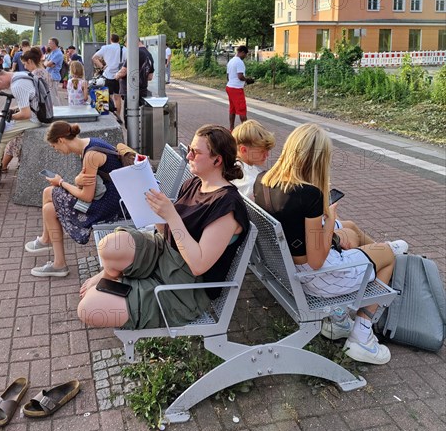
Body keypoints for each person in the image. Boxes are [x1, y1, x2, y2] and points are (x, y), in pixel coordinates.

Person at [78, 125, 250, 330]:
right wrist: (149, 201)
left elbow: (198, 264)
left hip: (184, 288)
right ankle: (114, 279)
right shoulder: (195, 183)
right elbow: (167, 232)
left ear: (217, 160)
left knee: (88, 308)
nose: (189, 156)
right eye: (189, 150)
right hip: (163, 254)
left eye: (195, 152)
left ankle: (121, 283)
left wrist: (171, 215)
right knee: (110, 246)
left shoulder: (227, 206)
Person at [252, 123, 397, 364]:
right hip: (316, 280)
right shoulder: (309, 195)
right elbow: (318, 261)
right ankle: (361, 336)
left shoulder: (262, 180)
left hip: (286, 269)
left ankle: (342, 316)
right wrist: (328, 217)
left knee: (350, 227)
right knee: (389, 254)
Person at [24, 121, 125, 277]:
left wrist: (62, 182)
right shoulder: (89, 144)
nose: (56, 150)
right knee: (48, 207)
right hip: (113, 196)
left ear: (61, 140)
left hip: (111, 204)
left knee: (49, 193)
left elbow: (87, 196)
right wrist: (77, 180)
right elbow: (86, 184)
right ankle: (55, 258)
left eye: (54, 146)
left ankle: (50, 248)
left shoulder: (90, 155)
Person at [231, 120, 275, 199]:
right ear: (243, 150)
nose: (267, 155)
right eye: (262, 151)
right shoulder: (251, 183)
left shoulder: (230, 165)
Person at [115, 39, 154, 123]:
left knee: (129, 119)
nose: (126, 47)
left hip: (131, 91)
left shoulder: (136, 53)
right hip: (143, 90)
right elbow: (150, 77)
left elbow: (123, 71)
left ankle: (132, 136)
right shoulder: (149, 54)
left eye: (126, 45)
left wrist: (116, 75)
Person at [92, 33, 126, 116]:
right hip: (119, 76)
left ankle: (106, 115)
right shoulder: (124, 49)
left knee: (104, 95)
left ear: (110, 40)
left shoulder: (105, 48)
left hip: (107, 75)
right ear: (119, 40)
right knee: (117, 97)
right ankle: (118, 116)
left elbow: (94, 58)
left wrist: (102, 66)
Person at [226, 45, 248, 131]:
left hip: (229, 87)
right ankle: (246, 131)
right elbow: (240, 76)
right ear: (242, 52)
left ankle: (231, 128)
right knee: (242, 110)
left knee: (232, 109)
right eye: (245, 54)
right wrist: (247, 80)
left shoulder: (230, 61)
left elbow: (227, 77)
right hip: (236, 89)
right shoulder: (239, 62)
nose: (245, 57)